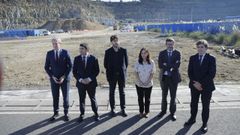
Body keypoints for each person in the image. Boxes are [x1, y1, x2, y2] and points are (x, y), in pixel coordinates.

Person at [184, 39, 216, 133]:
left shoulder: (211, 58)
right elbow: (190, 72)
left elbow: (211, 74)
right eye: (198, 47)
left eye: (202, 47)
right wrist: (195, 83)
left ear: (206, 48)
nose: (200, 49)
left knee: (205, 106)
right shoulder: (192, 58)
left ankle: (204, 123)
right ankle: (192, 119)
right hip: (194, 85)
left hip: (207, 86)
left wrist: (200, 83)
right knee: (193, 103)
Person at [44, 37, 72, 121]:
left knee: (65, 97)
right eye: (53, 43)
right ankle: (56, 113)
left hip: (65, 79)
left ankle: (66, 113)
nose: (55, 45)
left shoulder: (65, 52)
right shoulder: (49, 53)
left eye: (57, 43)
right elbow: (46, 67)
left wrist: (64, 77)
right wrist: (52, 77)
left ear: (60, 43)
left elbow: (70, 66)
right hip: (54, 79)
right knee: (55, 97)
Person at [73, 43, 100, 122]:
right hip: (81, 83)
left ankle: (96, 113)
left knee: (92, 98)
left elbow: (96, 71)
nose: (80, 50)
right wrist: (80, 80)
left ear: (87, 49)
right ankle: (82, 114)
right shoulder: (76, 59)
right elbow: (74, 72)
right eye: (80, 49)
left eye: (82, 49)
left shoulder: (93, 58)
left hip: (91, 83)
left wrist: (89, 79)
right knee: (81, 99)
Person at [104, 35, 128, 117]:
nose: (116, 42)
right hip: (112, 75)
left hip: (121, 75)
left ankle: (123, 109)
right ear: (111, 42)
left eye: (117, 40)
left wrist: (122, 71)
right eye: (114, 41)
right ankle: (112, 109)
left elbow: (126, 63)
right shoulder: (108, 52)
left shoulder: (123, 50)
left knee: (122, 92)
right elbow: (105, 64)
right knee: (112, 92)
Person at [157, 38, 181, 121]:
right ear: (166, 44)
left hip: (174, 78)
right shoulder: (162, 53)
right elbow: (160, 65)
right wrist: (171, 66)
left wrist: (166, 65)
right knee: (164, 95)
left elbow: (177, 65)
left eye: (171, 44)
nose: (170, 46)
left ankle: (172, 113)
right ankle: (163, 111)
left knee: (173, 96)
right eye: (168, 44)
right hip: (164, 78)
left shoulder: (177, 53)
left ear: (174, 44)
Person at [134, 48, 156, 118]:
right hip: (139, 84)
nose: (143, 54)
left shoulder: (151, 62)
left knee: (147, 99)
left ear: (148, 54)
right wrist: (140, 81)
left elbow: (152, 73)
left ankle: (146, 112)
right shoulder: (137, 61)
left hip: (148, 84)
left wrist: (148, 81)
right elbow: (136, 72)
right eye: (142, 53)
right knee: (140, 98)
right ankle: (141, 112)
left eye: (145, 53)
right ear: (140, 54)